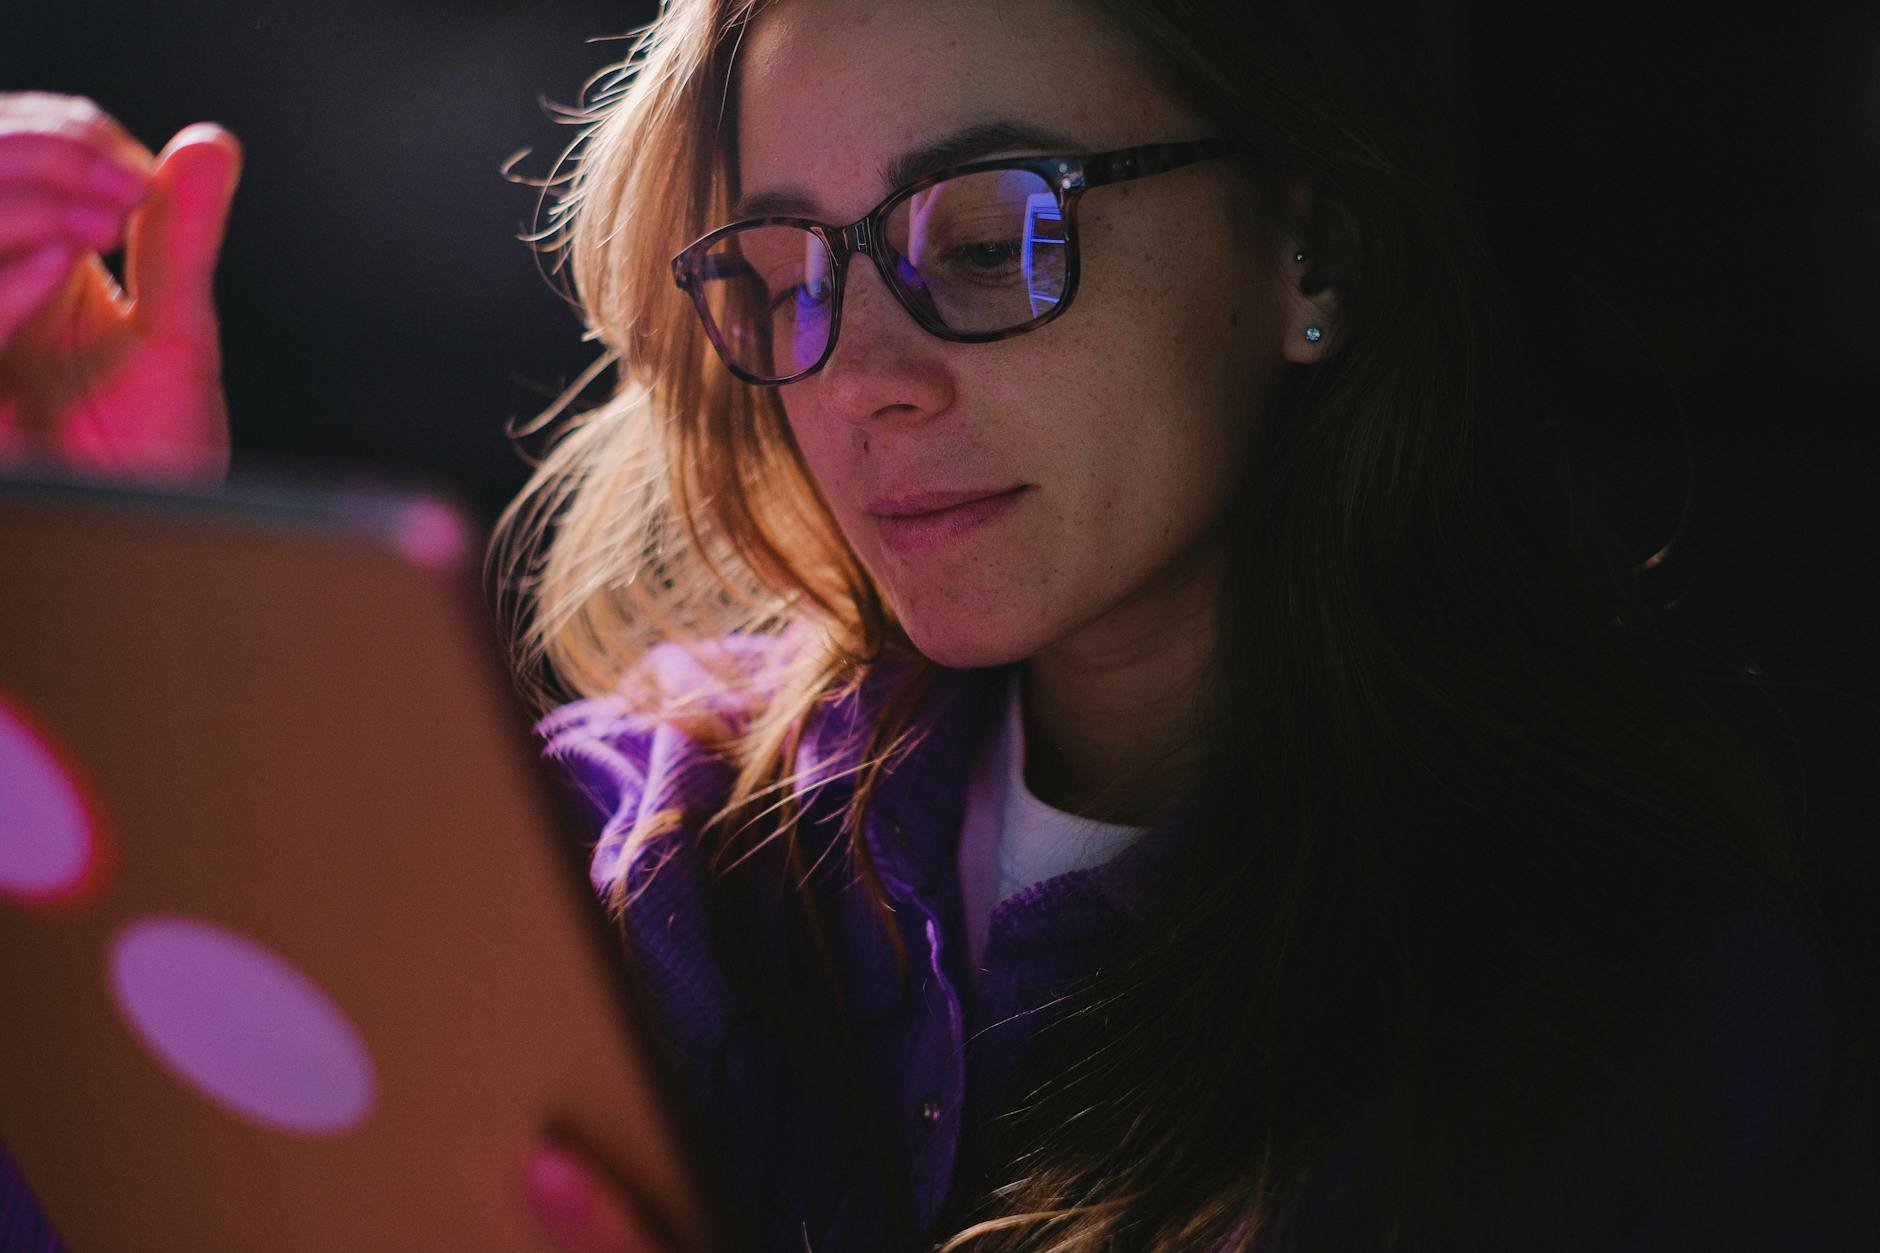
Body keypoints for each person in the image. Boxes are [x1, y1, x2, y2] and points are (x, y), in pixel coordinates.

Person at [1, 0, 1875, 1248]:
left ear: (1304, 252)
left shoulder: (1642, 1026)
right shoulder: (621, 850)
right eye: (787, 274)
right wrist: (104, 612)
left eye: (986, 242)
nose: (865, 382)